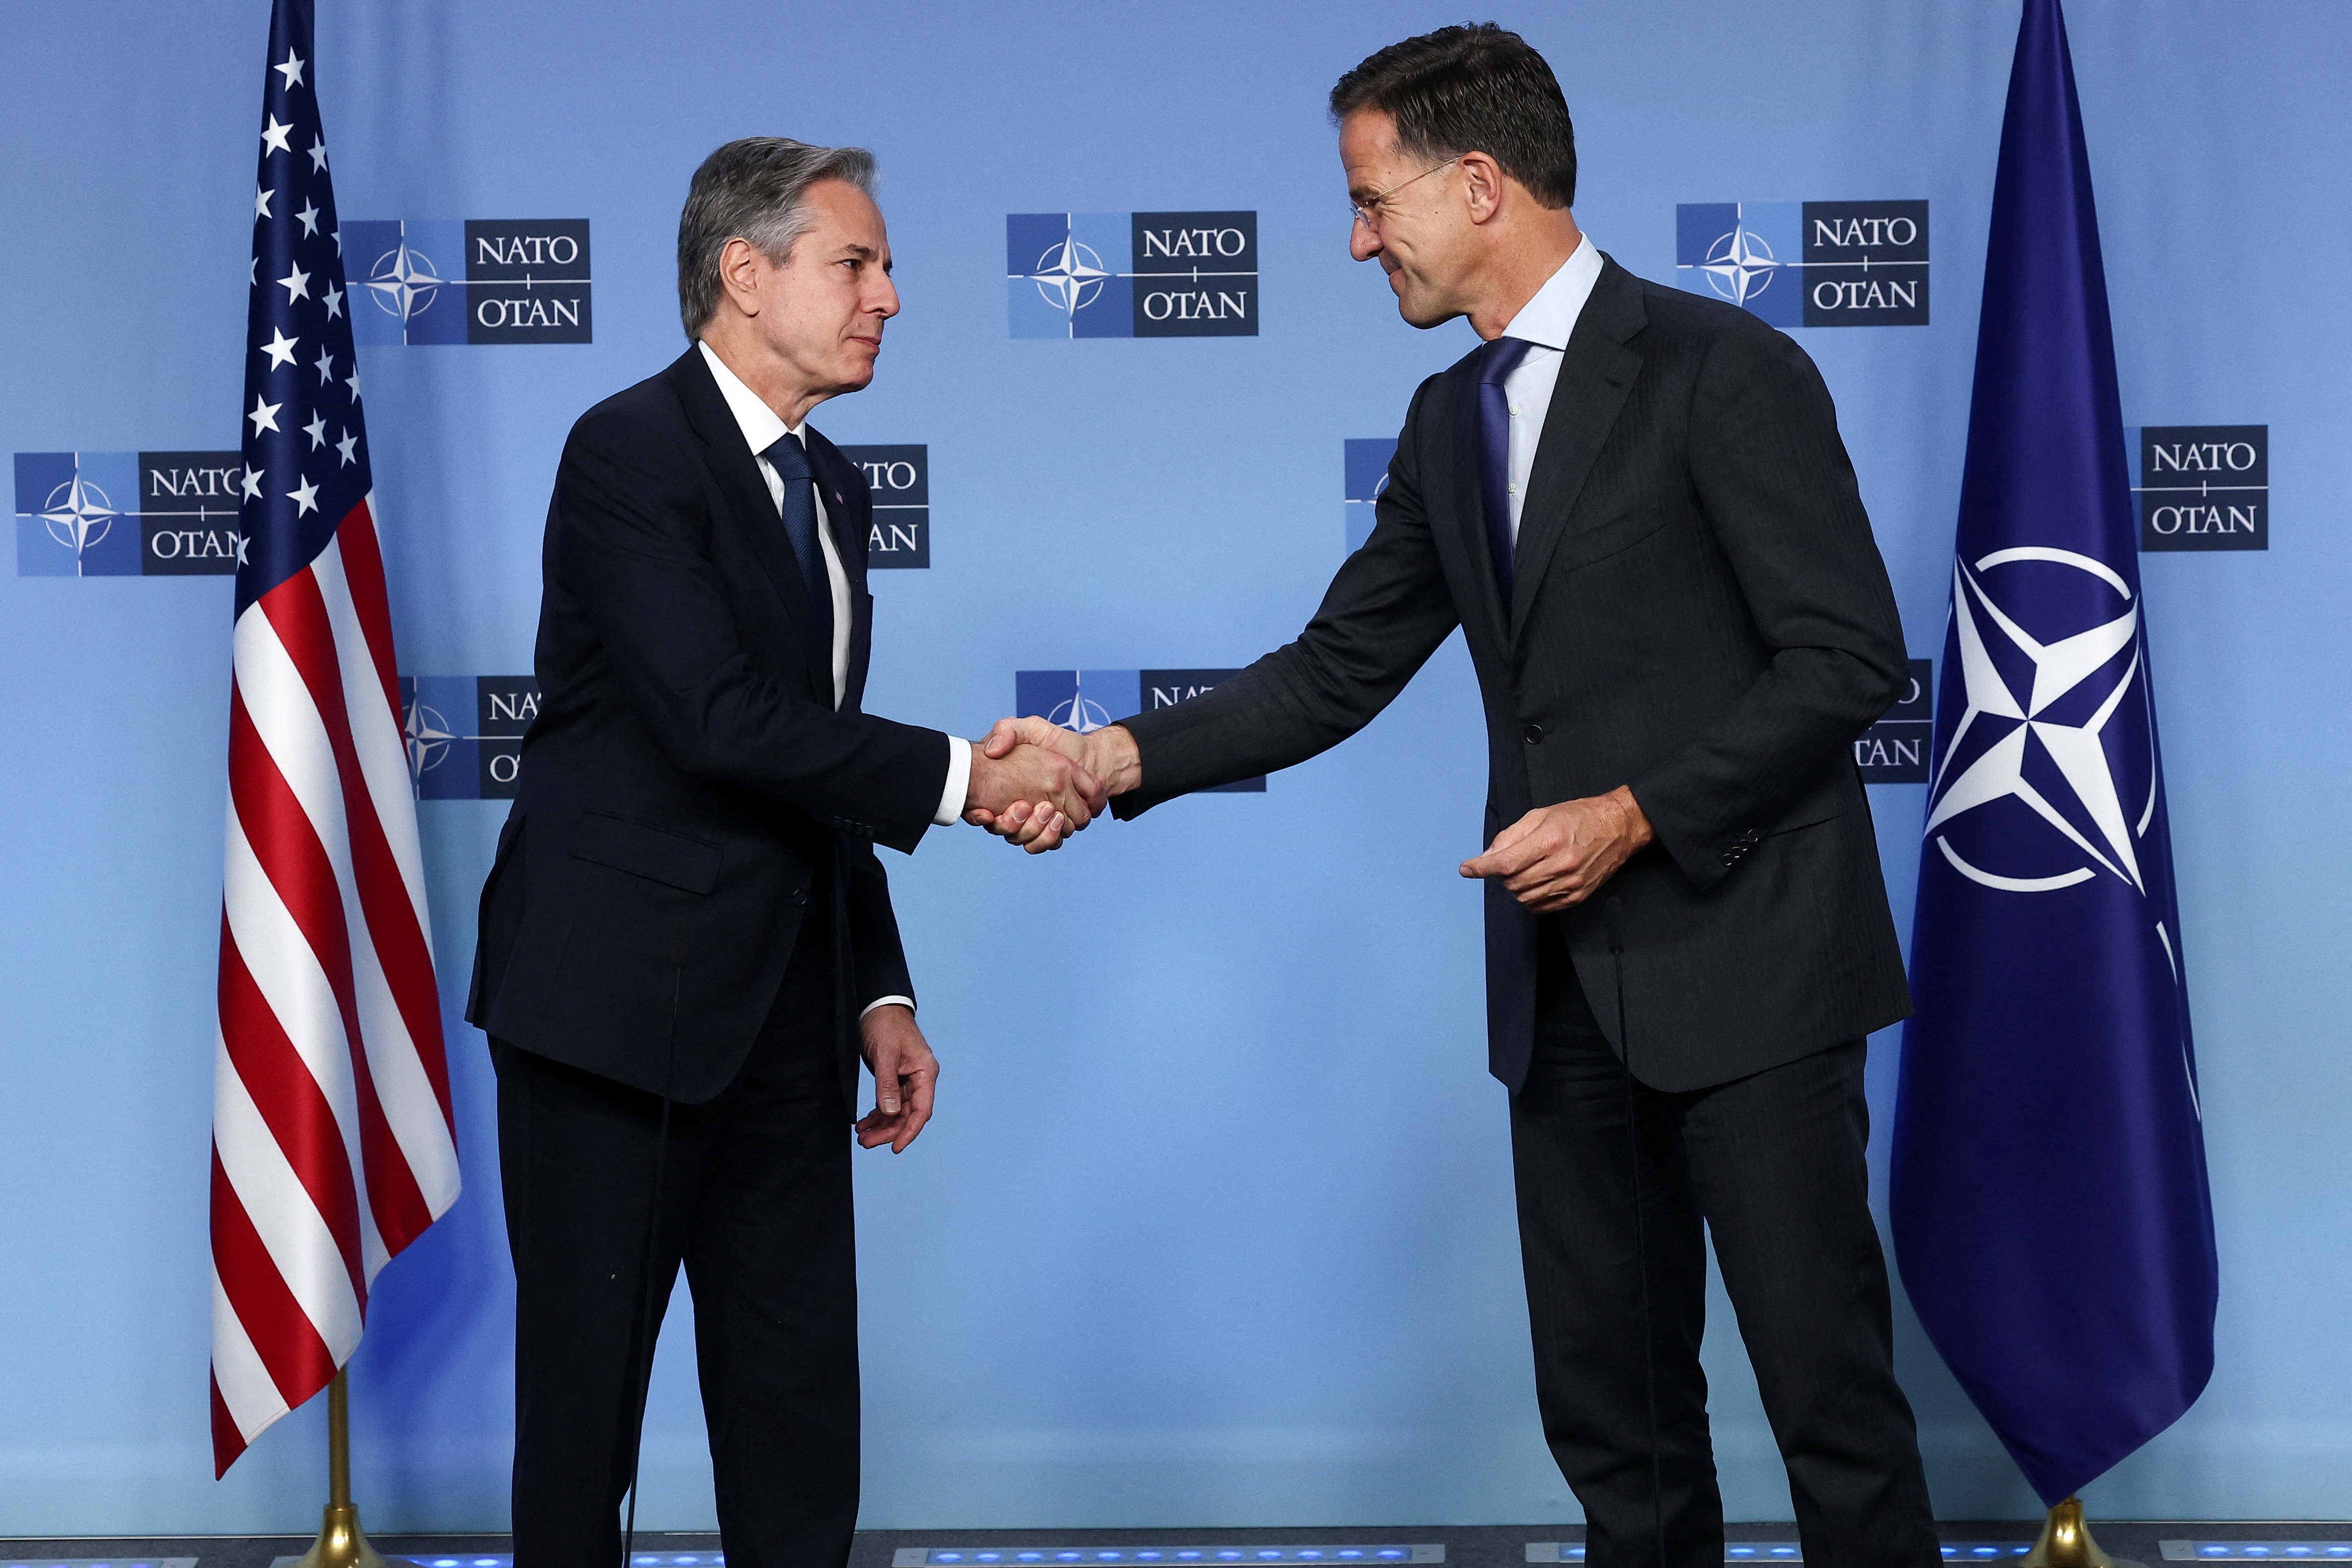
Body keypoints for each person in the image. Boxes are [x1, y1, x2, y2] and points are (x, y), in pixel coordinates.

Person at [979, 26, 1940, 1568]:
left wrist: (1631, 813)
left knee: (1832, 1415)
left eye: (1374, 202)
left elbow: (1843, 662)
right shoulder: (1446, 424)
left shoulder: (1725, 370)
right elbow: (1333, 670)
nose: (1360, 239)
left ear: (1479, 183)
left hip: (1753, 975)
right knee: (1614, 1433)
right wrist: (1107, 760)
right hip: (1561, 1007)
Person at [466, 137, 1101, 1567]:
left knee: (801, 1425)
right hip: (612, 1024)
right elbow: (716, 722)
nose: (889, 296)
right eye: (856, 263)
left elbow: (808, 755)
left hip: (781, 1024)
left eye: (884, 269)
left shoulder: (837, 488)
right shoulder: (628, 448)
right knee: (585, 1437)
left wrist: (876, 989)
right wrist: (962, 776)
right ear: (744, 277)